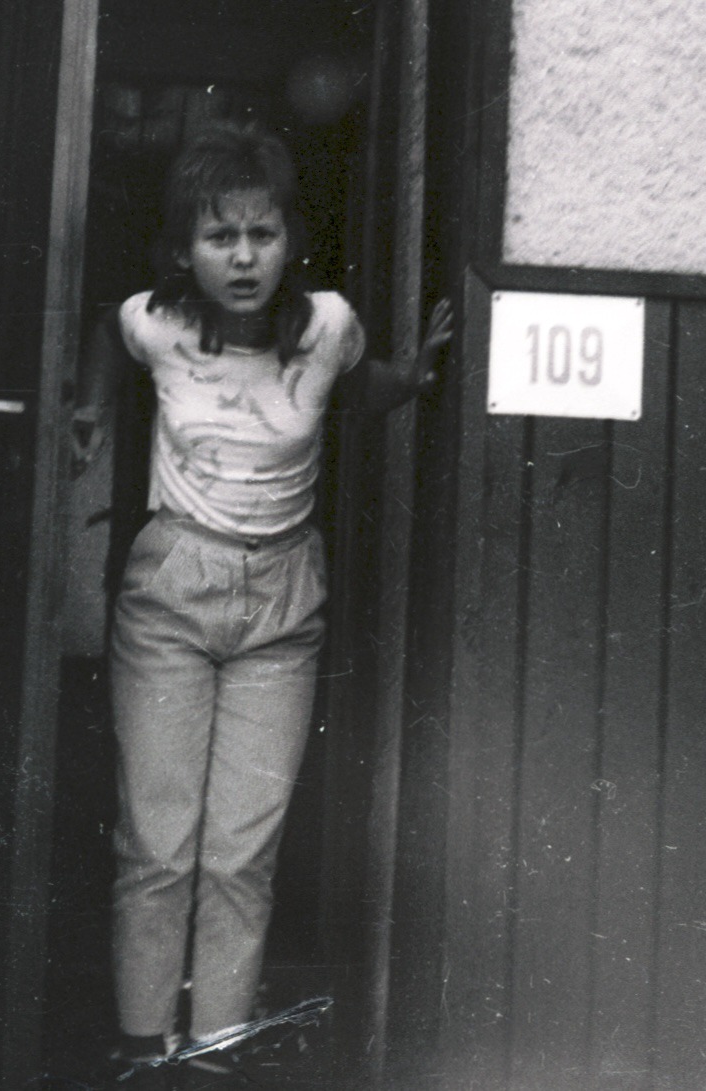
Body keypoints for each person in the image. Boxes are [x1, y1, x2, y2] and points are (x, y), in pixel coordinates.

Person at [70, 121, 451, 1080]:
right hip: (170, 592)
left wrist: (418, 372)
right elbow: (105, 347)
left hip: (283, 603)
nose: (243, 257)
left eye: (262, 233)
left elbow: (359, 392)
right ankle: (142, 1045)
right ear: (182, 248)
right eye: (218, 236)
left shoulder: (327, 324)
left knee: (240, 850)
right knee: (158, 842)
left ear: (290, 239)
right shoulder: (150, 323)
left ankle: (211, 1051)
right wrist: (85, 409)